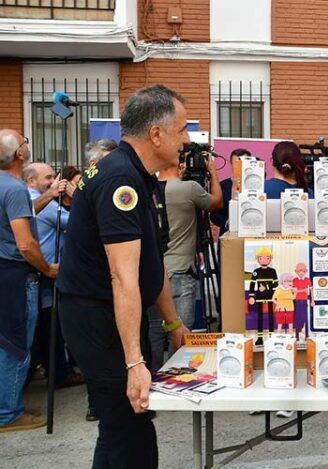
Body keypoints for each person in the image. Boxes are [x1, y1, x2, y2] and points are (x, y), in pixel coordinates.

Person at [56, 85, 190, 467]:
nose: (186, 139)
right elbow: (123, 276)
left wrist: (173, 322)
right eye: (181, 129)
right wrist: (134, 364)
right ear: (156, 134)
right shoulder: (121, 180)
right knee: (125, 426)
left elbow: (152, 262)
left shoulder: (138, 174)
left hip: (114, 316)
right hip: (98, 318)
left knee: (131, 425)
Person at [0, 129, 58, 433]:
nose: (28, 146)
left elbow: (20, 215)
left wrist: (47, 196)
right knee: (16, 342)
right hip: (15, 275)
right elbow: (25, 243)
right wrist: (47, 268)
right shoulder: (14, 188)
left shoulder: (7, 188)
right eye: (25, 143)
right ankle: (8, 412)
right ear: (19, 154)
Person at [148, 154, 222, 372]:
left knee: (154, 329)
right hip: (181, 270)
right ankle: (176, 375)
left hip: (154, 271)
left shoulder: (148, 190)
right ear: (180, 165)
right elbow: (216, 203)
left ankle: (152, 375)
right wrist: (212, 172)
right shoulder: (188, 188)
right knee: (182, 331)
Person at [23, 163, 83, 389]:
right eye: (48, 177)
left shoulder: (34, 198)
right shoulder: (44, 203)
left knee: (43, 324)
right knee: (50, 324)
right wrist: (75, 196)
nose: (54, 181)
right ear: (31, 181)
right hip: (46, 270)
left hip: (41, 269)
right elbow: (75, 222)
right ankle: (58, 373)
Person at [211, 148, 251, 235]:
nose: (240, 167)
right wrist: (228, 223)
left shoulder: (257, 187)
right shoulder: (221, 186)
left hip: (252, 236)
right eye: (236, 163)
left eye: (243, 163)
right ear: (231, 164)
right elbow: (214, 214)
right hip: (227, 236)